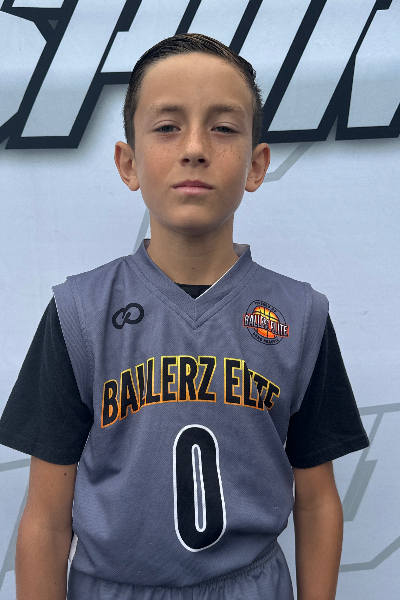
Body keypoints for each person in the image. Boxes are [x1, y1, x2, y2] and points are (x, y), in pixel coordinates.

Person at [0, 33, 369, 600]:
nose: (195, 148)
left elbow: (317, 500)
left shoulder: (300, 315)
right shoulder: (79, 313)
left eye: (223, 128)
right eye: (168, 126)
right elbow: (47, 519)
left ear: (256, 165)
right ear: (128, 163)